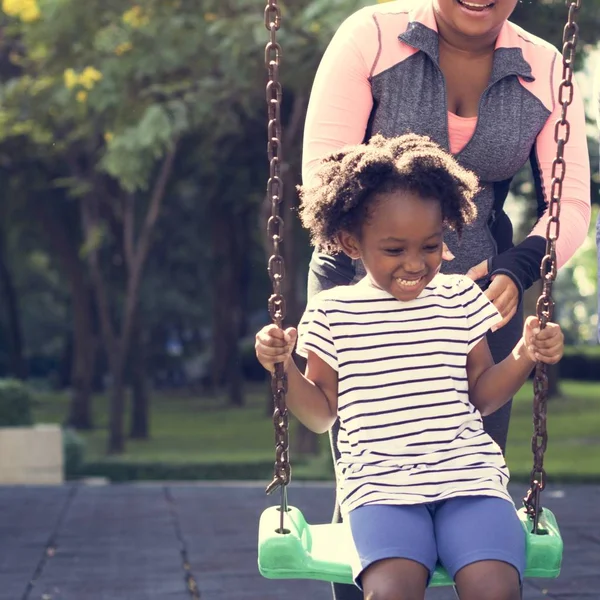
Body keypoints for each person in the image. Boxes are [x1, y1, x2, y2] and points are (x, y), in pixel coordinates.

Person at [302, 2, 589, 596]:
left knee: (466, 448)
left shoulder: (544, 66)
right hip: (359, 274)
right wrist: (408, 270)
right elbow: (323, 177)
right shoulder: (373, 38)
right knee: (371, 461)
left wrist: (515, 267)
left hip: (489, 291)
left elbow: (571, 205)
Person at [255, 134, 564, 600]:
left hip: (468, 478)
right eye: (395, 250)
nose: (416, 265)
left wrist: (524, 354)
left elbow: (482, 394)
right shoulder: (332, 312)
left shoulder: (459, 296)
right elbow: (320, 415)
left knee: (495, 588)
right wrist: (284, 371)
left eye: (431, 246)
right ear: (350, 243)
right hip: (380, 486)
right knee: (392, 591)